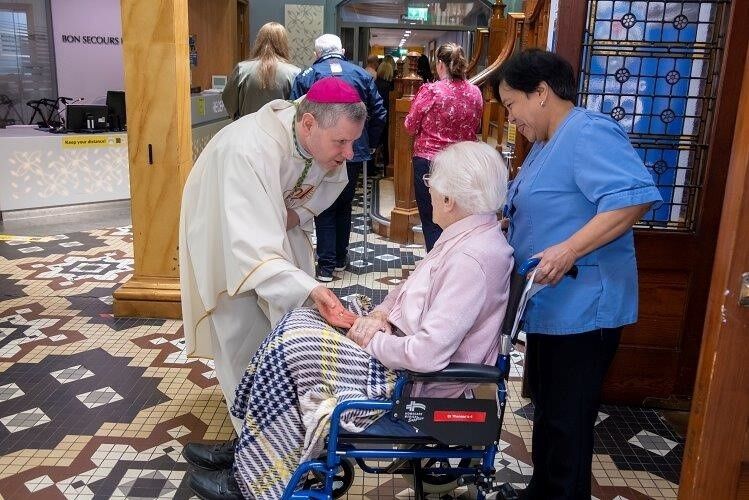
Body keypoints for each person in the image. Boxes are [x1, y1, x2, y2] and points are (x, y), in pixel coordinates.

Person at [187, 141, 514, 500]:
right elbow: (409, 289)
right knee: (299, 321)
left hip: (414, 383)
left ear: (450, 200)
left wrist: (367, 337)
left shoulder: (472, 260)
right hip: (404, 357)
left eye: (430, 183)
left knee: (293, 346)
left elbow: (427, 355)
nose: (428, 190)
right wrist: (376, 316)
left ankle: (250, 483)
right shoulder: (468, 235)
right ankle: (251, 448)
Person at [492, 49, 663, 500]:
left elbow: (631, 200)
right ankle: (544, 491)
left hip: (586, 308)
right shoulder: (545, 144)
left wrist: (569, 248)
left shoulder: (589, 132)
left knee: (568, 419)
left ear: (541, 93)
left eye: (512, 105)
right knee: (548, 410)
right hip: (551, 304)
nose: (512, 118)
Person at [179, 77, 367, 473]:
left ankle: (268, 449)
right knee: (246, 346)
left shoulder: (319, 138)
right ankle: (254, 456)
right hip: (231, 246)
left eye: (353, 142)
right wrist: (312, 289)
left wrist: (295, 216)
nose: (349, 153)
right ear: (309, 123)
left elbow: (330, 185)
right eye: (341, 143)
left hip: (277, 238)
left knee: (285, 346)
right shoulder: (247, 149)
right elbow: (251, 249)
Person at [291, 34, 387, 281]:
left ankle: (326, 265)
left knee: (323, 204)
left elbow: (295, 114)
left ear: (316, 53)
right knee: (344, 203)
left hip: (319, 152)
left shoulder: (307, 76)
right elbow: (379, 112)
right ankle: (341, 258)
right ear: (342, 51)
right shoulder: (362, 75)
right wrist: (370, 143)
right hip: (354, 152)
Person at [404, 43, 483, 251]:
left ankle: (436, 267)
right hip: (461, 162)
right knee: (458, 219)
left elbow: (410, 126)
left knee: (432, 220)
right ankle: (454, 264)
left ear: (440, 64)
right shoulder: (475, 93)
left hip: (430, 162)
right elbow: (476, 125)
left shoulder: (431, 91)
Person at [221, 22, 300, 118]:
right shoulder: (294, 73)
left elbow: (228, 99)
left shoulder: (242, 69)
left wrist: (238, 118)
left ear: (259, 40)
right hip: (279, 130)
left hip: (247, 127)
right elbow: (297, 109)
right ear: (284, 43)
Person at [374, 61, 394, 170]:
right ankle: (386, 166)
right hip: (388, 118)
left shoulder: (373, 84)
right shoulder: (391, 87)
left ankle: (370, 167)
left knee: (374, 142)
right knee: (387, 143)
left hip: (375, 117)